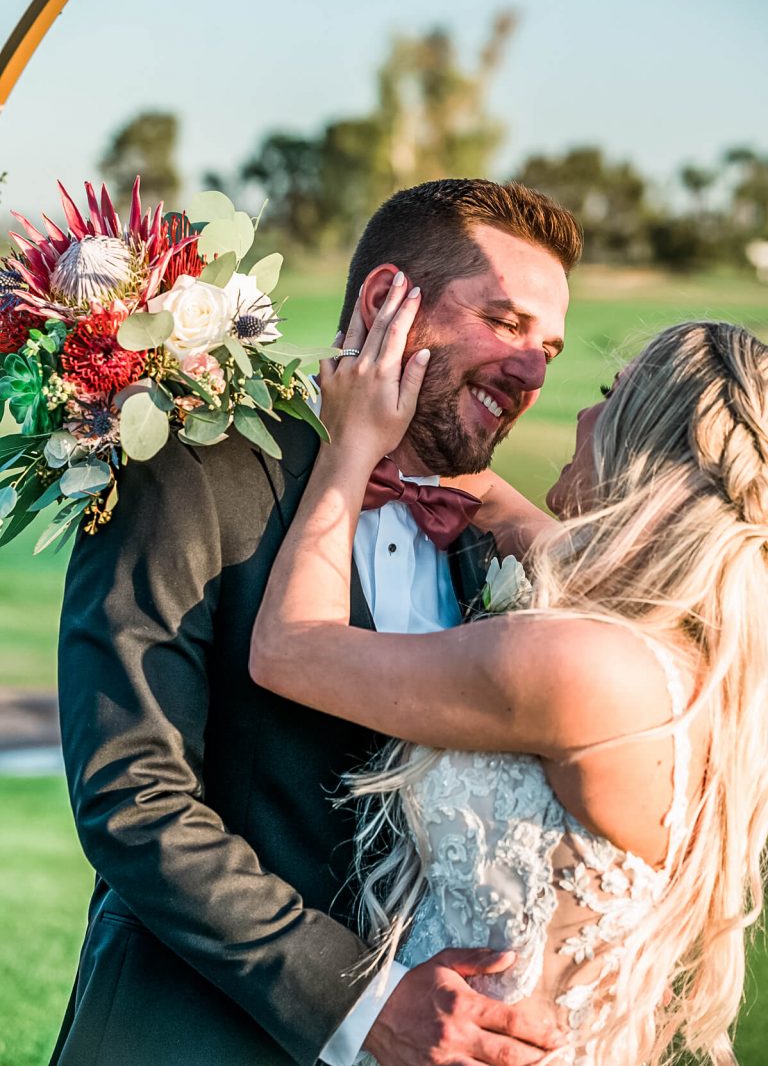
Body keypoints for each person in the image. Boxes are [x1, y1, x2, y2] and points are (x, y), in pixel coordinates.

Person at [50, 179, 581, 1066]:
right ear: (384, 301)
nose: (531, 371)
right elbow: (133, 796)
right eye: (507, 322)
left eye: (551, 349)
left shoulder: (486, 546)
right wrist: (362, 1004)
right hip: (183, 1036)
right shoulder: (196, 467)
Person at [249, 290, 768, 1066]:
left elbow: (288, 649)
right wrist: (476, 488)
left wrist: (350, 451)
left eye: (608, 399)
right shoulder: (692, 661)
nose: (582, 419)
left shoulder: (579, 668)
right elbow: (574, 555)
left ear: (647, 449)